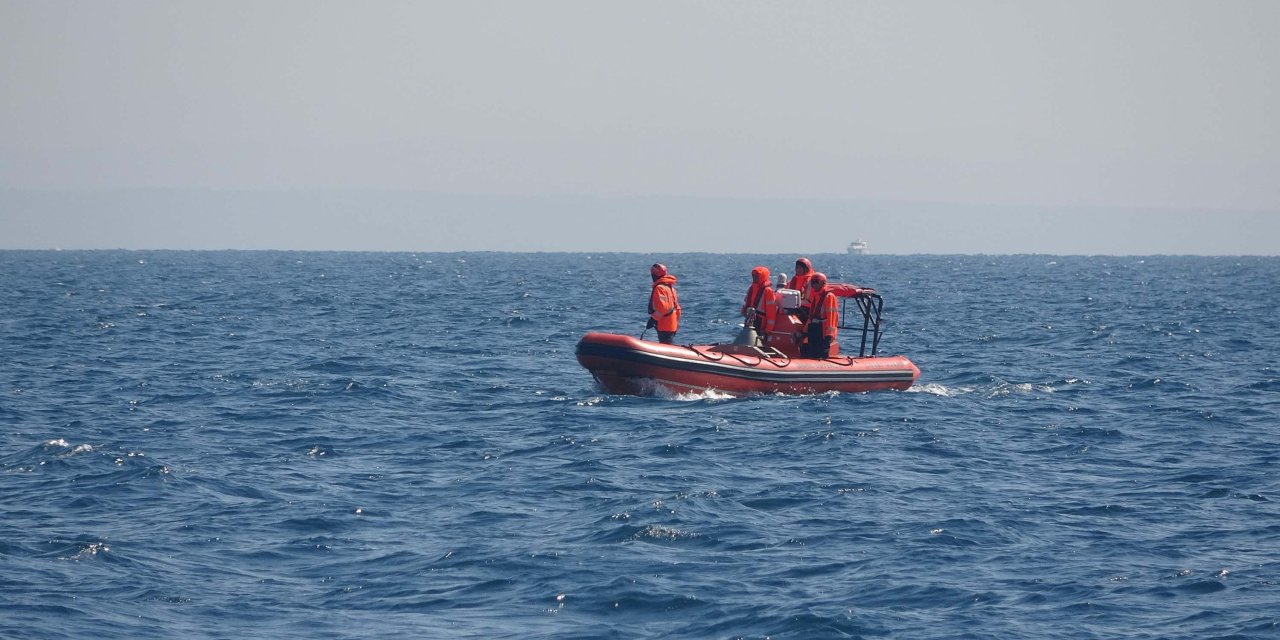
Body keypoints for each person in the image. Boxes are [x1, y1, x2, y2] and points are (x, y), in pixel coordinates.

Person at [800, 272, 839, 358]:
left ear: (822, 283)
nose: (814, 285)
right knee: (809, 353)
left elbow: (832, 318)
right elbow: (811, 317)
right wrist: (804, 331)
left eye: (816, 282)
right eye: (812, 282)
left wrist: (829, 336)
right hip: (814, 330)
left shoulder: (829, 296)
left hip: (822, 332)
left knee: (821, 354)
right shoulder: (815, 297)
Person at [647, 263, 681, 344]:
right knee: (668, 344)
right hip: (672, 324)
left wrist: (653, 319)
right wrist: (676, 322)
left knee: (665, 344)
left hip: (664, 325)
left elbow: (663, 308)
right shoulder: (670, 288)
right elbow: (677, 308)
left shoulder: (660, 288)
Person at [740, 265, 773, 337]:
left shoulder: (767, 291)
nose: (754, 278)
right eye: (753, 276)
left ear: (762, 277)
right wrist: (744, 311)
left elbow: (771, 311)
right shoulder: (751, 288)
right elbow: (746, 302)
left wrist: (768, 329)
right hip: (750, 319)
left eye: (756, 276)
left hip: (761, 322)